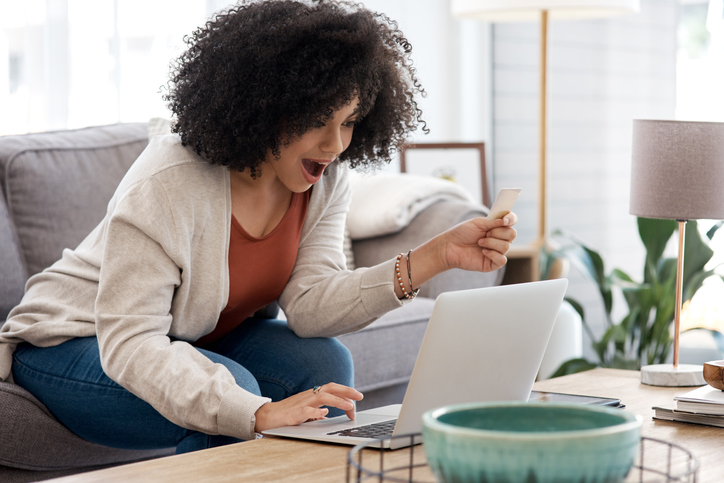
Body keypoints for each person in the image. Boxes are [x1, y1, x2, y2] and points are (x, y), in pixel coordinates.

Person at [0, 0, 517, 454]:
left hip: (188, 338)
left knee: (324, 364)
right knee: (233, 388)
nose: (337, 144)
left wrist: (436, 256)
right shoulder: (170, 180)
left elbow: (312, 307)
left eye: (351, 121)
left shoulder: (323, 177)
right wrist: (251, 411)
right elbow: (132, 343)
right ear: (266, 106)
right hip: (73, 345)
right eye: (320, 119)